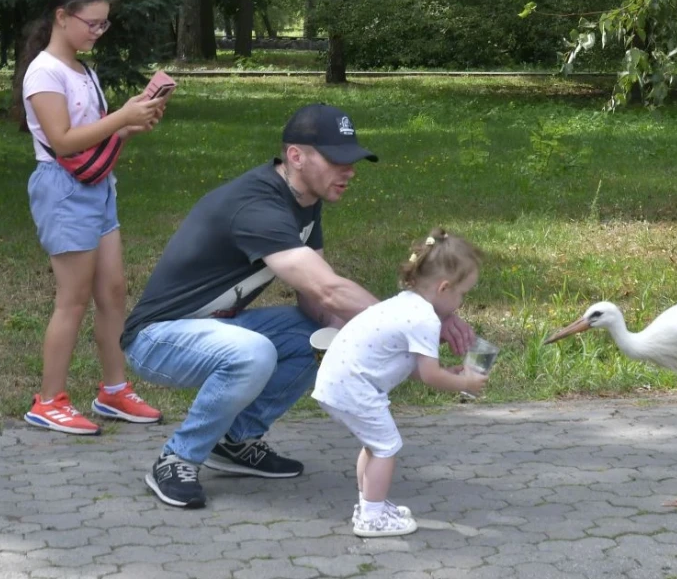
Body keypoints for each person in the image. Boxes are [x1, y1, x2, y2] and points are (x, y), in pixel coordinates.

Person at [120, 103, 476, 509]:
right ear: (296, 156)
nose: (350, 170)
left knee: (320, 336)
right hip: (158, 337)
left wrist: (412, 350)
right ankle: (177, 458)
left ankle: (236, 440)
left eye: (353, 160)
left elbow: (314, 301)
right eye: (337, 159)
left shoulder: (305, 201)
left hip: (215, 327)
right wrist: (420, 320)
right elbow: (328, 290)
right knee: (252, 354)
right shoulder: (257, 204)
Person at [18, 0, 165, 435]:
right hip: (63, 190)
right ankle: (49, 400)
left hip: (98, 186)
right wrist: (120, 117)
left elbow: (92, 139)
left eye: (104, 25)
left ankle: (114, 391)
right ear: (62, 17)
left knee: (113, 292)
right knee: (74, 299)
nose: (98, 33)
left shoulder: (83, 70)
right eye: (92, 24)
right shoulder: (45, 71)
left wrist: (130, 121)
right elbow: (62, 143)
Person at [312, 228, 488, 537]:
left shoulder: (407, 304)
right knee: (387, 446)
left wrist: (451, 372)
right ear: (445, 287)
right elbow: (432, 377)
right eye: (463, 294)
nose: (461, 302)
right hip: (354, 386)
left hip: (341, 381)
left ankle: (370, 505)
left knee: (375, 444)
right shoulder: (425, 319)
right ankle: (372, 517)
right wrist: (467, 384)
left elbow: (419, 370)